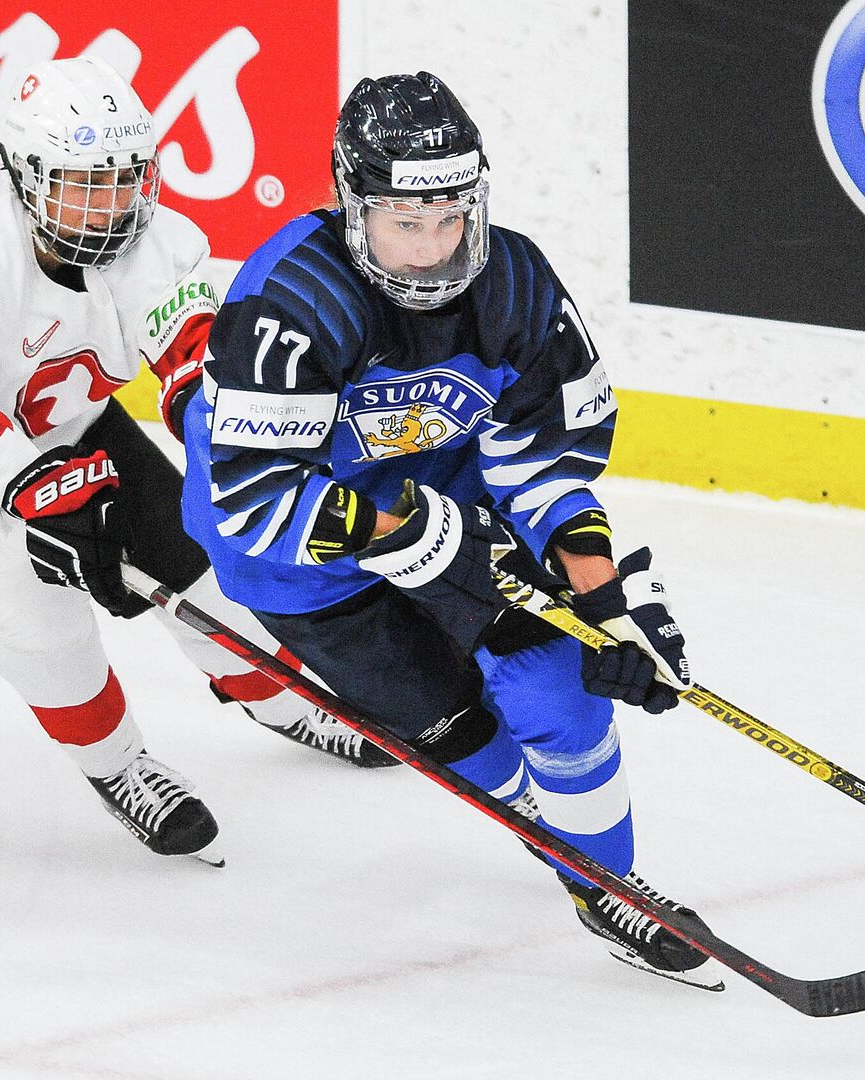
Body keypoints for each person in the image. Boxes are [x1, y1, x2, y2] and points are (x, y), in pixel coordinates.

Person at [178, 71, 718, 986]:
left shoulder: (513, 281)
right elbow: (255, 496)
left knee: (561, 691)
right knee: (461, 736)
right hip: (301, 566)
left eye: (450, 217)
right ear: (355, 208)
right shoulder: (293, 298)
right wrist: (400, 530)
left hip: (451, 516)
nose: (432, 249)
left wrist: (603, 594)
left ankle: (609, 889)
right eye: (404, 221)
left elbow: (545, 458)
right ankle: (555, 841)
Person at [0, 57, 393, 868]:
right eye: (82, 181)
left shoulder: (166, 243)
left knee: (200, 558)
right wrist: (44, 497)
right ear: (18, 175)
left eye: (123, 176)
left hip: (56, 418)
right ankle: (120, 767)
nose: (111, 203)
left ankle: (277, 696)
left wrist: (252, 451)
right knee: (32, 596)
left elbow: (197, 370)